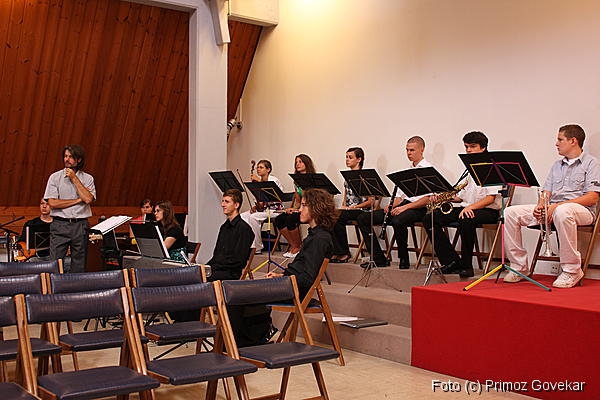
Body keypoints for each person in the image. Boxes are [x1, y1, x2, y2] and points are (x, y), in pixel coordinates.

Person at [503, 124, 600, 288]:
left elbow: (592, 197)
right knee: (510, 212)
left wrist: (557, 206)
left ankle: (572, 270)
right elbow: (546, 193)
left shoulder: (592, 163)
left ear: (573, 141)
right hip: (554, 208)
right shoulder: (556, 165)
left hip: (582, 211)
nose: (556, 143)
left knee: (563, 211)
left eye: (560, 139)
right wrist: (541, 205)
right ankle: (519, 267)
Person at [422, 131, 501, 278]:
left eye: (473, 146)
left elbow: (491, 198)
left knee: (466, 219)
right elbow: (462, 197)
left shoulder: (491, 167)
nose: (468, 150)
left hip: (488, 210)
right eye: (466, 147)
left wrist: (470, 207)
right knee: (430, 218)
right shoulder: (469, 168)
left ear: (483, 147)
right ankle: (451, 261)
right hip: (468, 207)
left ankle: (467, 266)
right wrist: (444, 198)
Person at [357, 136, 433, 269]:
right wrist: (392, 205)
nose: (408, 153)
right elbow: (399, 197)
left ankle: (404, 258)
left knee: (398, 220)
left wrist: (403, 208)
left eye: (412, 150)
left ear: (422, 150)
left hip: (419, 208)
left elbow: (426, 199)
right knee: (364, 218)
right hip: (404, 206)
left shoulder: (428, 169)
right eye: (407, 150)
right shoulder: (408, 170)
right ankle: (378, 258)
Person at [266, 188, 338, 300]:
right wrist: (281, 276)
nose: (299, 210)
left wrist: (284, 280)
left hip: (293, 291)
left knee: (241, 296)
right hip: (289, 286)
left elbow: (307, 278)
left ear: (316, 208)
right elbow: (300, 270)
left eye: (304, 205)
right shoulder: (315, 235)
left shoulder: (319, 239)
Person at [44, 144, 96, 273]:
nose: (67, 159)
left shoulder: (88, 178)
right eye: (65, 156)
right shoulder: (55, 177)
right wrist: (78, 200)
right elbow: (52, 203)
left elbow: (88, 199)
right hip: (60, 224)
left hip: (80, 225)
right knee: (55, 264)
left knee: (79, 264)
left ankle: (76, 286)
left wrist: (74, 178)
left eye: (71, 157)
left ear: (79, 160)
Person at [331, 147, 374, 263]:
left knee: (338, 216)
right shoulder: (347, 177)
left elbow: (371, 201)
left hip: (362, 210)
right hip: (350, 210)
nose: (347, 160)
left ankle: (344, 253)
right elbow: (346, 196)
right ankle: (337, 251)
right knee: (331, 215)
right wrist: (343, 206)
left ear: (359, 159)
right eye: (346, 157)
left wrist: (354, 207)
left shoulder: (364, 177)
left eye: (350, 157)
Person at [206, 189, 254, 281]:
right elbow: (216, 254)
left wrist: (214, 267)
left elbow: (238, 260)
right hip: (218, 269)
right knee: (193, 274)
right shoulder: (224, 227)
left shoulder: (244, 229)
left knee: (199, 278)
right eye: (223, 201)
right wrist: (206, 267)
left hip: (231, 273)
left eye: (227, 202)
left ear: (236, 205)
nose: (222, 204)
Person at [274, 154, 316, 258]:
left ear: (307, 163)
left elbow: (312, 199)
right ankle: (295, 245)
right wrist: (293, 209)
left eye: (300, 162)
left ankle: (297, 247)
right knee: (280, 219)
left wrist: (301, 209)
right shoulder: (296, 181)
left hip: (311, 209)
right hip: (301, 208)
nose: (297, 164)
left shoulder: (313, 178)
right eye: (296, 162)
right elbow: (298, 201)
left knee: (291, 219)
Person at [241, 159, 284, 255]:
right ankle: (248, 245)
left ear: (268, 169)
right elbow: (261, 204)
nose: (258, 169)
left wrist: (259, 182)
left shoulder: (273, 180)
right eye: (257, 168)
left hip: (275, 210)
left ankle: (258, 247)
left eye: (261, 167)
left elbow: (276, 198)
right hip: (264, 210)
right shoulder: (258, 182)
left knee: (253, 217)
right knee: (242, 217)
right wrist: (255, 206)